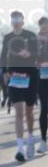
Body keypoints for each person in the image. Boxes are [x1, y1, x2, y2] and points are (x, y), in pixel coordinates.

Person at [1, 10, 40, 162]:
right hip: (15, 77)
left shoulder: (31, 36)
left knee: (29, 114)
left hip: (30, 76)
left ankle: (30, 140)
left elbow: (38, 54)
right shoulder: (7, 38)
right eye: (13, 18)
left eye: (18, 18)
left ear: (23, 21)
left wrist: (29, 54)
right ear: (11, 22)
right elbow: (3, 57)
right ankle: (20, 149)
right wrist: (4, 72)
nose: (16, 21)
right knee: (19, 112)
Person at [37, 16, 48, 153]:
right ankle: (43, 141)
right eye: (42, 25)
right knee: (44, 108)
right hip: (41, 78)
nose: (44, 27)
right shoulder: (34, 40)